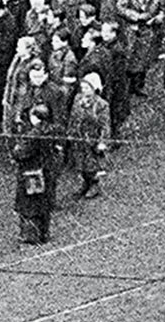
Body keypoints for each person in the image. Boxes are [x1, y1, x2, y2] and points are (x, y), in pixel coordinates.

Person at [11, 106, 62, 245]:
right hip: (47, 171)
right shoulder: (53, 130)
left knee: (30, 205)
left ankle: (31, 236)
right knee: (43, 204)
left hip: (32, 173)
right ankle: (44, 233)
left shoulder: (32, 135)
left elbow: (20, 153)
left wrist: (16, 148)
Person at [63, 70, 111, 200]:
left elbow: (105, 125)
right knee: (80, 163)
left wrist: (103, 141)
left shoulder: (101, 104)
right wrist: (70, 132)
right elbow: (73, 116)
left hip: (92, 139)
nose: (84, 90)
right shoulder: (78, 99)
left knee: (91, 164)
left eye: (87, 88)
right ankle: (85, 183)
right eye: (82, 87)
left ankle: (94, 184)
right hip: (78, 138)